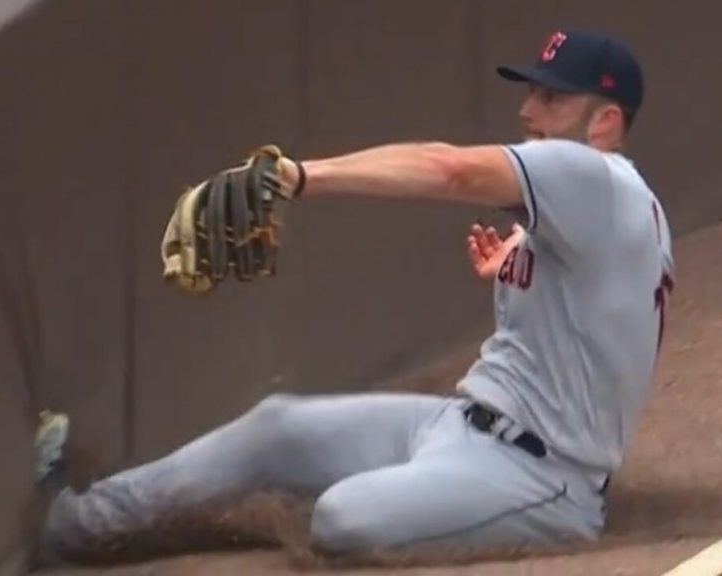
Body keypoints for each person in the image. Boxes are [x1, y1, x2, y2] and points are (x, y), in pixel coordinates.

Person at [33, 28, 674, 563]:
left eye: (552, 98)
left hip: (541, 477)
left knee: (344, 519)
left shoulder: (594, 177)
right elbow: (609, 305)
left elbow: (445, 166)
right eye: (532, 91)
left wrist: (298, 176)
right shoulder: (604, 209)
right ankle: (71, 523)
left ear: (604, 122)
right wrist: (524, 264)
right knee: (275, 427)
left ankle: (347, 506)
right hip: (457, 428)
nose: (529, 111)